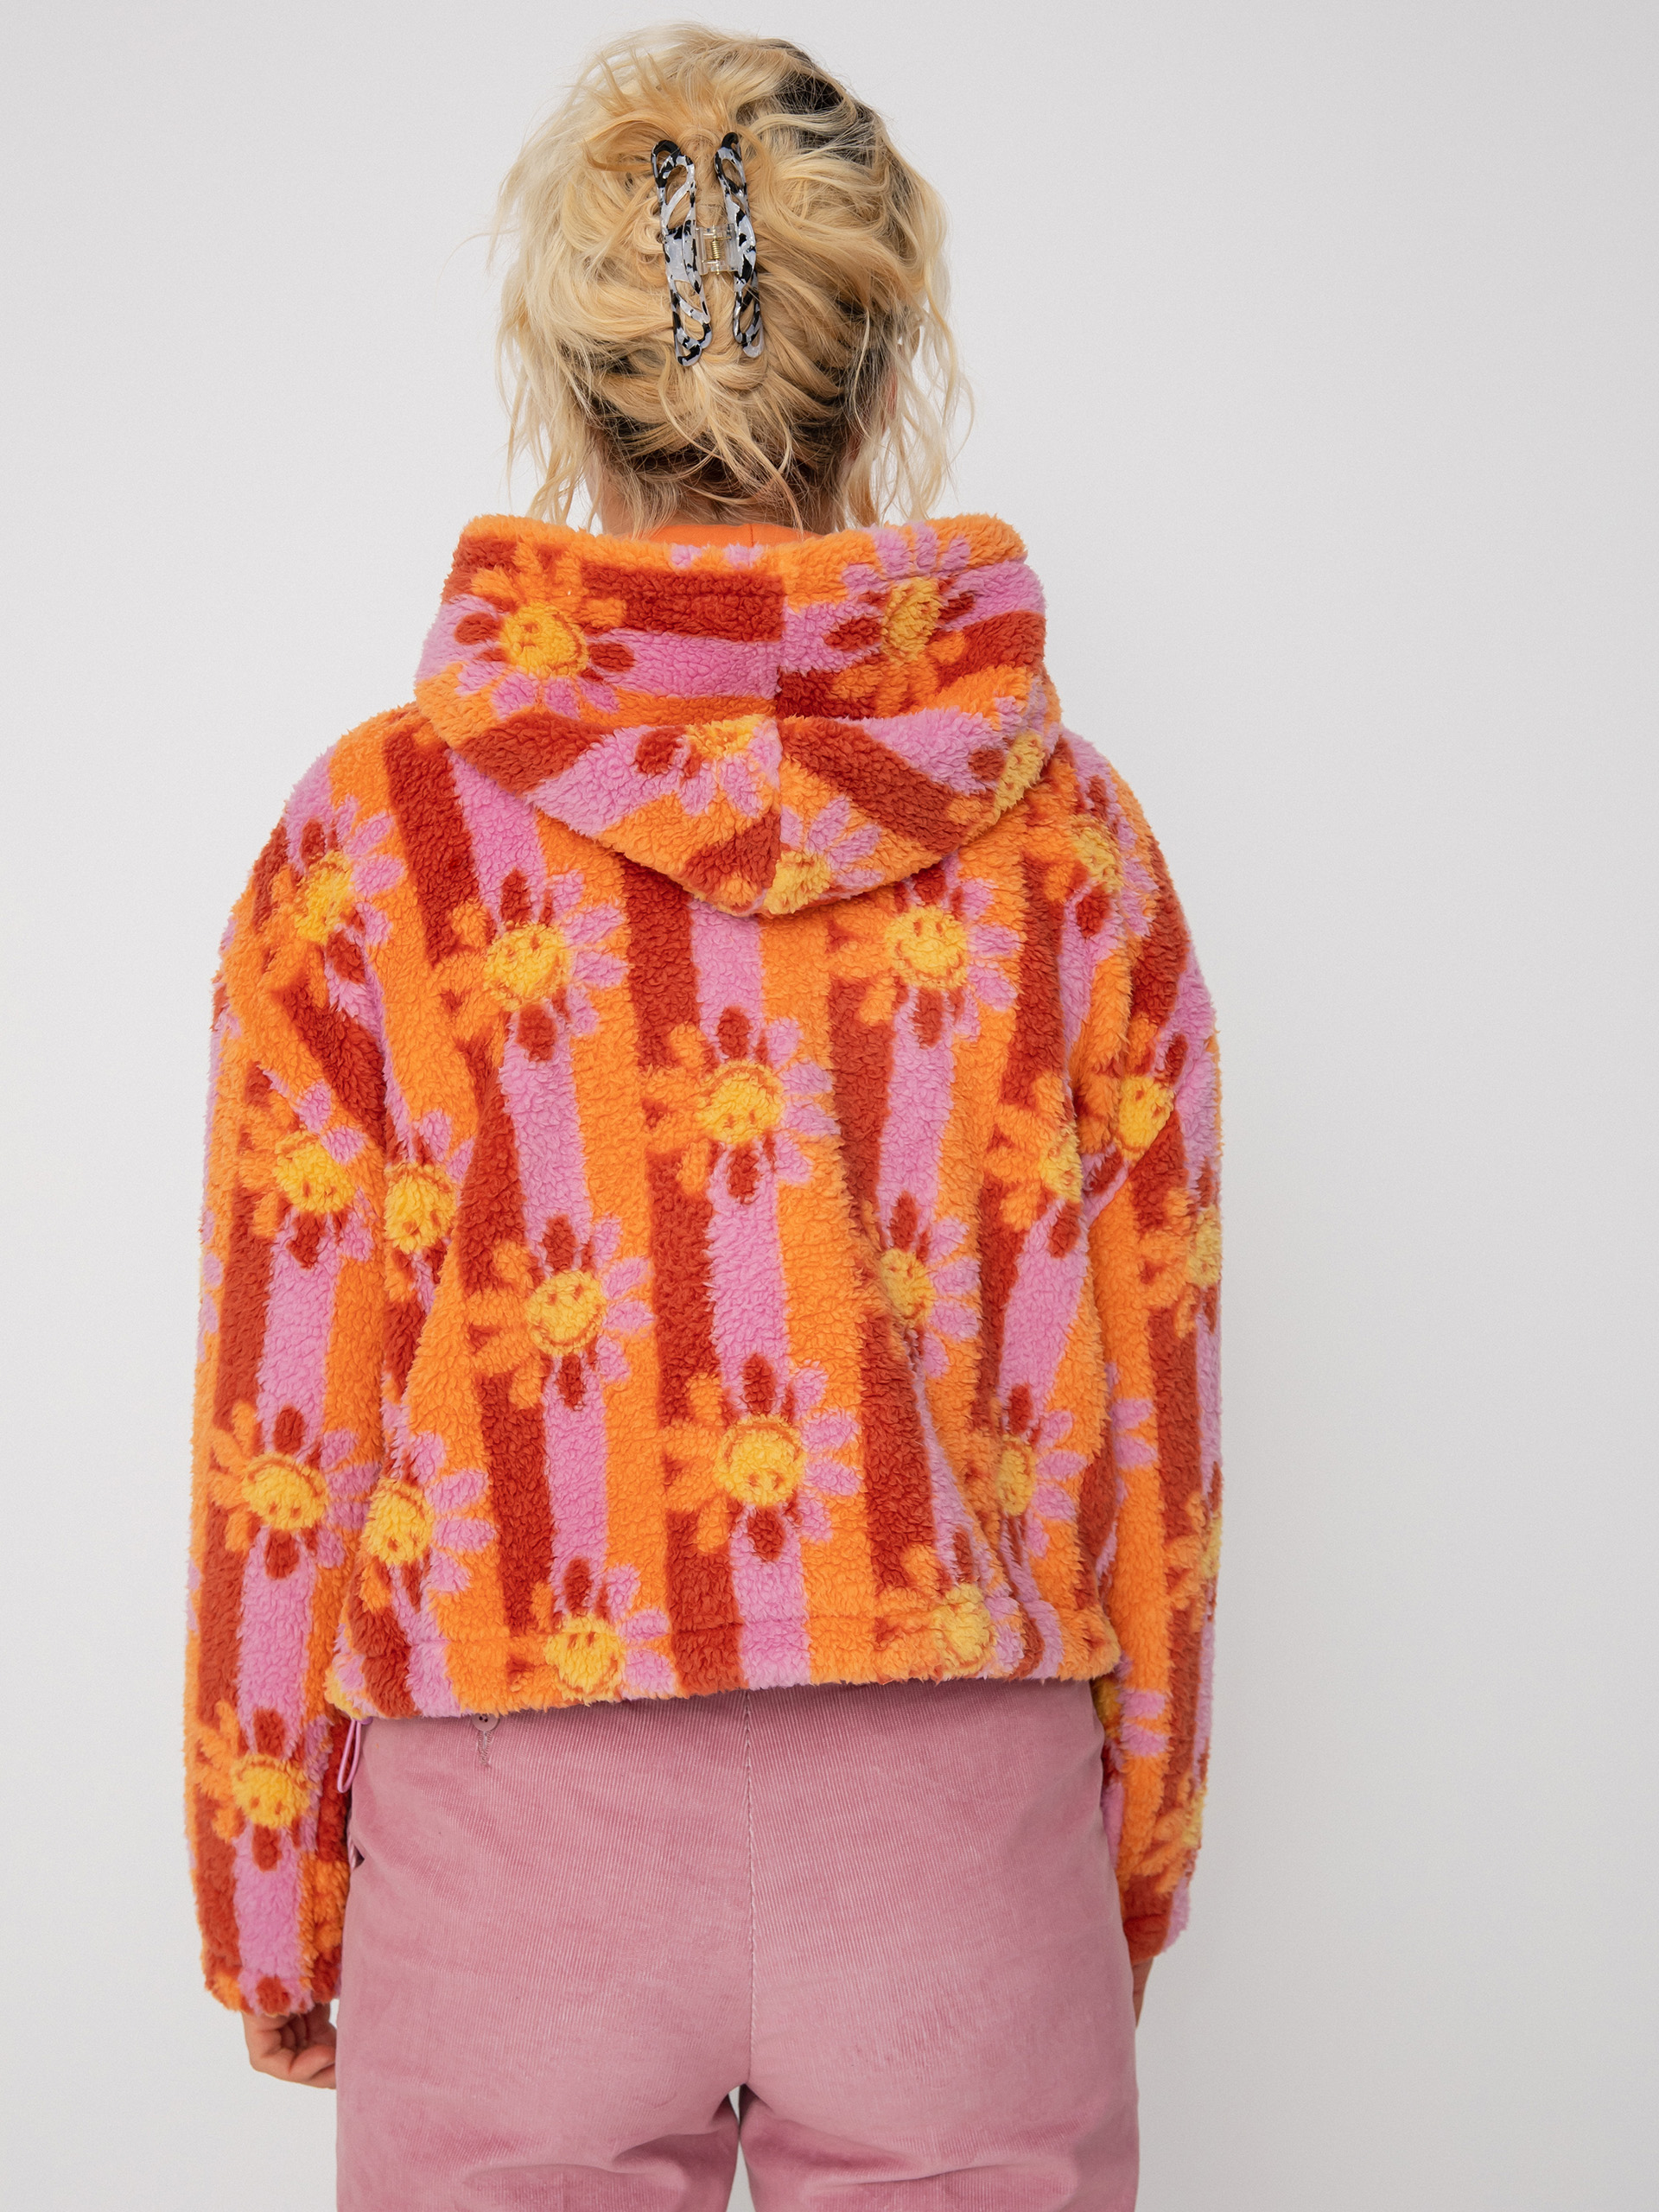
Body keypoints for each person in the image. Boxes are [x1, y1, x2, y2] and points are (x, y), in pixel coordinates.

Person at [184, 28, 1222, 2209]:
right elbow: (1154, 1413)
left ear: (568, 383)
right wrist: (1117, 1858)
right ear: (887, 363)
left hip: (508, 1832)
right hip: (958, 1839)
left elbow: (291, 1421)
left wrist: (267, 1884)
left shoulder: (378, 839)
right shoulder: (1069, 844)